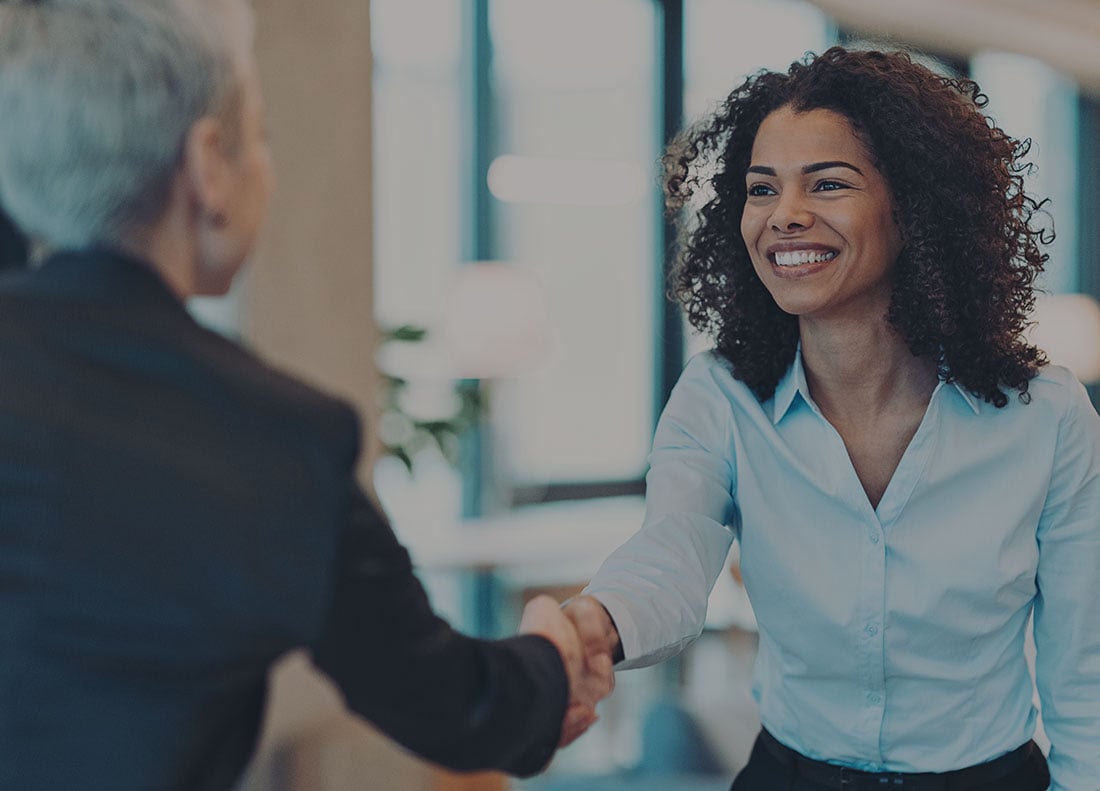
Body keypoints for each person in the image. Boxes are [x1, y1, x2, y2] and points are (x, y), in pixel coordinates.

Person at [0, 2, 612, 790]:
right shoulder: (271, 439)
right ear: (207, 166)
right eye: (260, 133)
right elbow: (456, 705)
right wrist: (551, 661)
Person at [563, 47, 1100, 790]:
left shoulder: (1047, 415)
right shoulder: (719, 397)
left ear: (913, 207)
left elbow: (1087, 673)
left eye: (829, 183)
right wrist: (590, 626)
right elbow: (671, 559)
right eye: (762, 188)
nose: (785, 215)